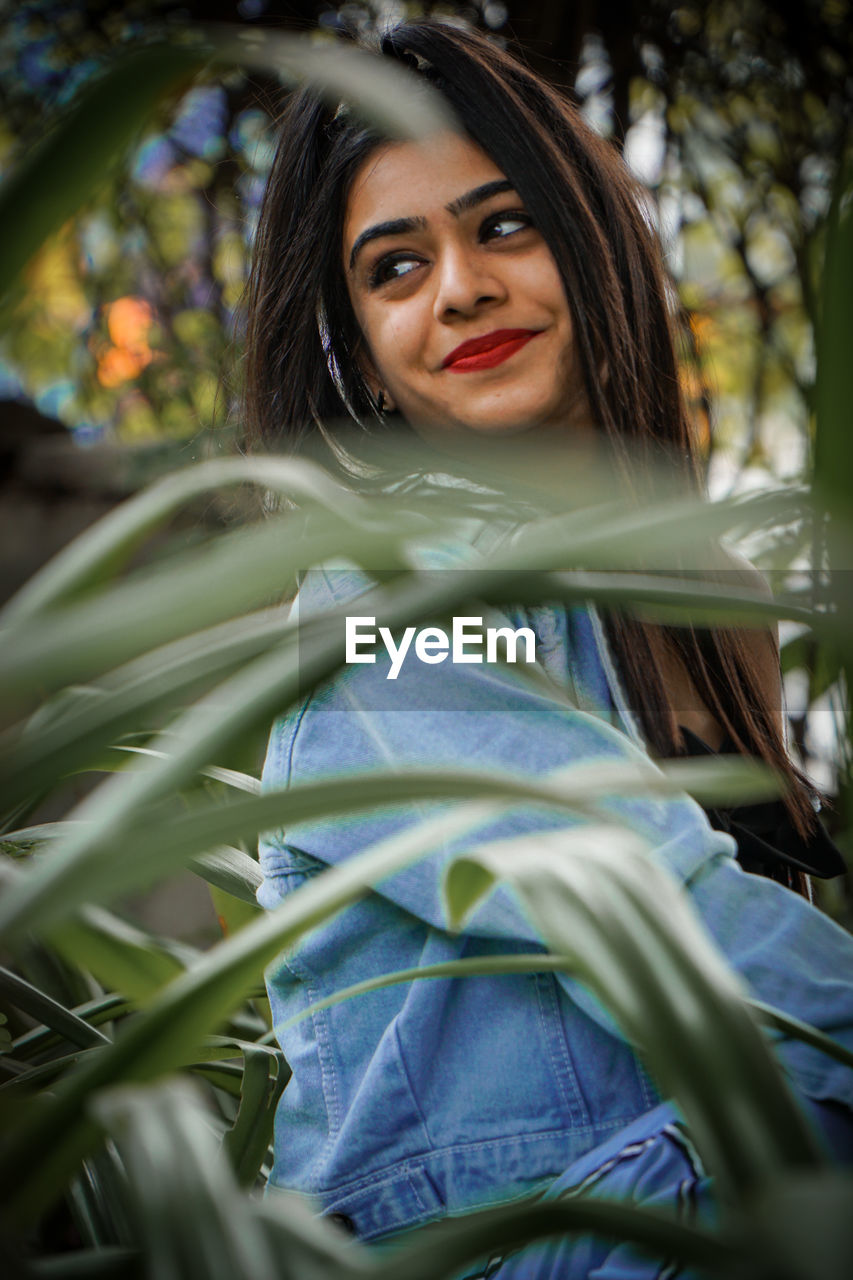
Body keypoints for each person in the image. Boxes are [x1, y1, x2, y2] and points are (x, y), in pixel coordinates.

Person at [244, 19, 852, 1277]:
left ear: (590, 239)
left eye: (503, 225)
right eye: (394, 268)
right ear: (360, 353)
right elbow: (651, 916)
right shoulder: (388, 603)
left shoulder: (704, 590)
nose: (458, 285)